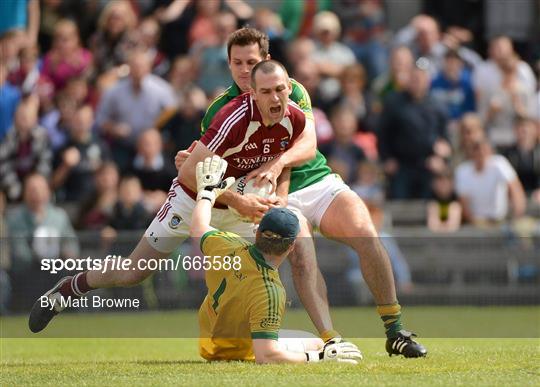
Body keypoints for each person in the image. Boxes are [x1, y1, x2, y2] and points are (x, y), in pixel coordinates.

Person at [176, 28, 426, 357]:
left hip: (314, 180)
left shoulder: (292, 91)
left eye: (251, 62)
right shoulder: (222, 110)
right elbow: (202, 167)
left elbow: (306, 144)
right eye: (237, 62)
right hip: (263, 193)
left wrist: (279, 167)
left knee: (366, 233)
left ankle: (395, 330)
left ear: (267, 63)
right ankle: (331, 339)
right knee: (303, 256)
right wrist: (201, 168)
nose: (243, 70)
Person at [191, 155, 362, 364]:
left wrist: (207, 193)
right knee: (317, 343)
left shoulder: (227, 244)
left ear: (257, 233)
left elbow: (198, 226)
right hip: (237, 352)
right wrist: (318, 357)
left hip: (208, 343)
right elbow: (266, 356)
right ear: (291, 247)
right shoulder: (270, 291)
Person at [455, 140, 526, 226]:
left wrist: (517, 217)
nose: (480, 153)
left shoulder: (500, 163)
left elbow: (515, 189)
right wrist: (474, 222)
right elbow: (463, 201)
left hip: (500, 220)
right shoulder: (463, 170)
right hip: (475, 223)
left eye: (483, 149)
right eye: (476, 150)